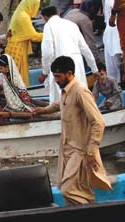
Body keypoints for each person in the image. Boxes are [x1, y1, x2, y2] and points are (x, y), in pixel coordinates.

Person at [33, 56, 111, 205]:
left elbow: (99, 122)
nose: (55, 80)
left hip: (80, 151)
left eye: (58, 76)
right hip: (67, 147)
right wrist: (44, 110)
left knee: (69, 189)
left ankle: (90, 214)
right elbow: (61, 104)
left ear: (69, 74)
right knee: (67, 186)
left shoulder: (81, 91)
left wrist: (90, 151)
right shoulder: (66, 90)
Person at [39, 6, 98, 103]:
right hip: (76, 65)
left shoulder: (48, 26)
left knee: (62, 100)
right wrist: (94, 69)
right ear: (57, 14)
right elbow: (85, 48)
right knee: (80, 96)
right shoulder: (71, 24)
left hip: (60, 66)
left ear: (45, 17)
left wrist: (44, 73)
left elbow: (47, 53)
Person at [4, 0, 43, 87]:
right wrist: (48, 34)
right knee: (18, 76)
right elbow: (33, 36)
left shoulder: (19, 11)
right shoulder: (23, 17)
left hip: (14, 46)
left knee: (14, 74)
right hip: (19, 48)